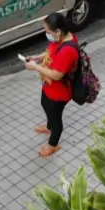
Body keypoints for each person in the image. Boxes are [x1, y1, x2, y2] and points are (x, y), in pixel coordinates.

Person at [24, 13, 79, 158]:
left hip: (59, 92)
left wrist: (35, 67)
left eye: (48, 32)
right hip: (49, 87)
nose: (46, 34)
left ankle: (53, 144)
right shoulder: (62, 38)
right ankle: (49, 127)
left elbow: (56, 75)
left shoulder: (68, 50)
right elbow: (51, 50)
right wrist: (37, 57)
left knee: (55, 118)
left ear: (58, 31)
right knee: (44, 103)